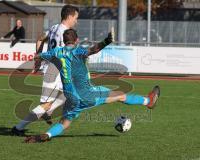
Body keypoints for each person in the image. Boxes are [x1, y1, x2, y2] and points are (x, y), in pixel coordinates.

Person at [24, 29, 161, 143]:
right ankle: (148, 101)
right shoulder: (78, 51)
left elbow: (38, 56)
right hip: (88, 94)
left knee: (64, 123)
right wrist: (106, 41)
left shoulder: (56, 52)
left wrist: (36, 59)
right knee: (120, 95)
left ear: (64, 41)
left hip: (71, 98)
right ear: (76, 40)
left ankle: (46, 135)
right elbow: (93, 50)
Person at [11, 5, 79, 136]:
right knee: (45, 104)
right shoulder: (64, 33)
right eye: (76, 18)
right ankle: (18, 128)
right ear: (69, 16)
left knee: (70, 94)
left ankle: (48, 112)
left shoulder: (54, 28)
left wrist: (38, 58)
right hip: (54, 71)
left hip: (55, 70)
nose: (76, 21)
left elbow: (40, 39)